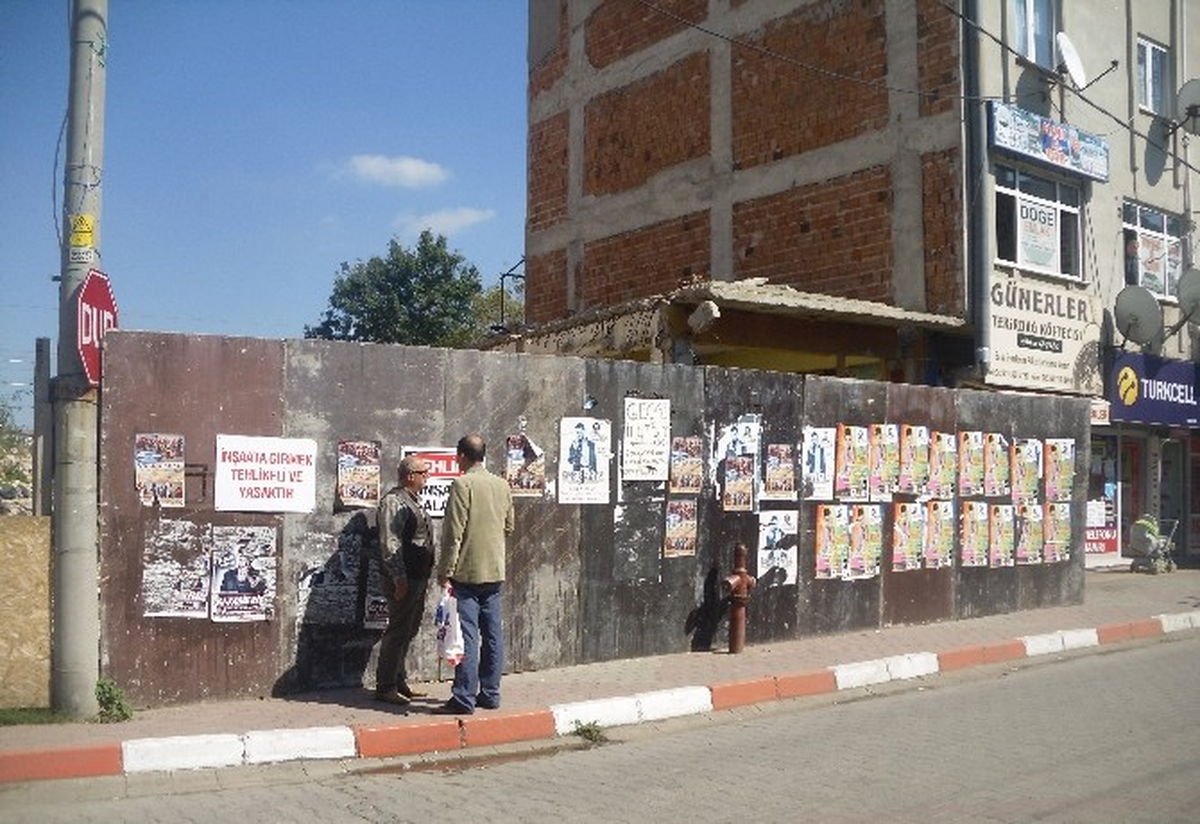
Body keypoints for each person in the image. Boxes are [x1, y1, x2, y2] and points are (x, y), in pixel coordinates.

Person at [434, 434, 514, 715]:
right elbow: (509, 526)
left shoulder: (462, 484)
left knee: (466, 636)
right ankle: (490, 693)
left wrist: (445, 570)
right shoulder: (502, 485)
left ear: (462, 456)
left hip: (467, 572)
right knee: (493, 635)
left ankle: (463, 698)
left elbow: (453, 533)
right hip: (494, 570)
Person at [373, 456, 435, 707]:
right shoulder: (393, 502)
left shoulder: (413, 501)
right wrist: (398, 578)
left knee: (409, 629)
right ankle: (385, 685)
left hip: (417, 576)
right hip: (404, 577)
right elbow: (390, 543)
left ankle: (399, 681)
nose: (427, 476)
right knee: (398, 630)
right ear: (410, 475)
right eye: (423, 472)